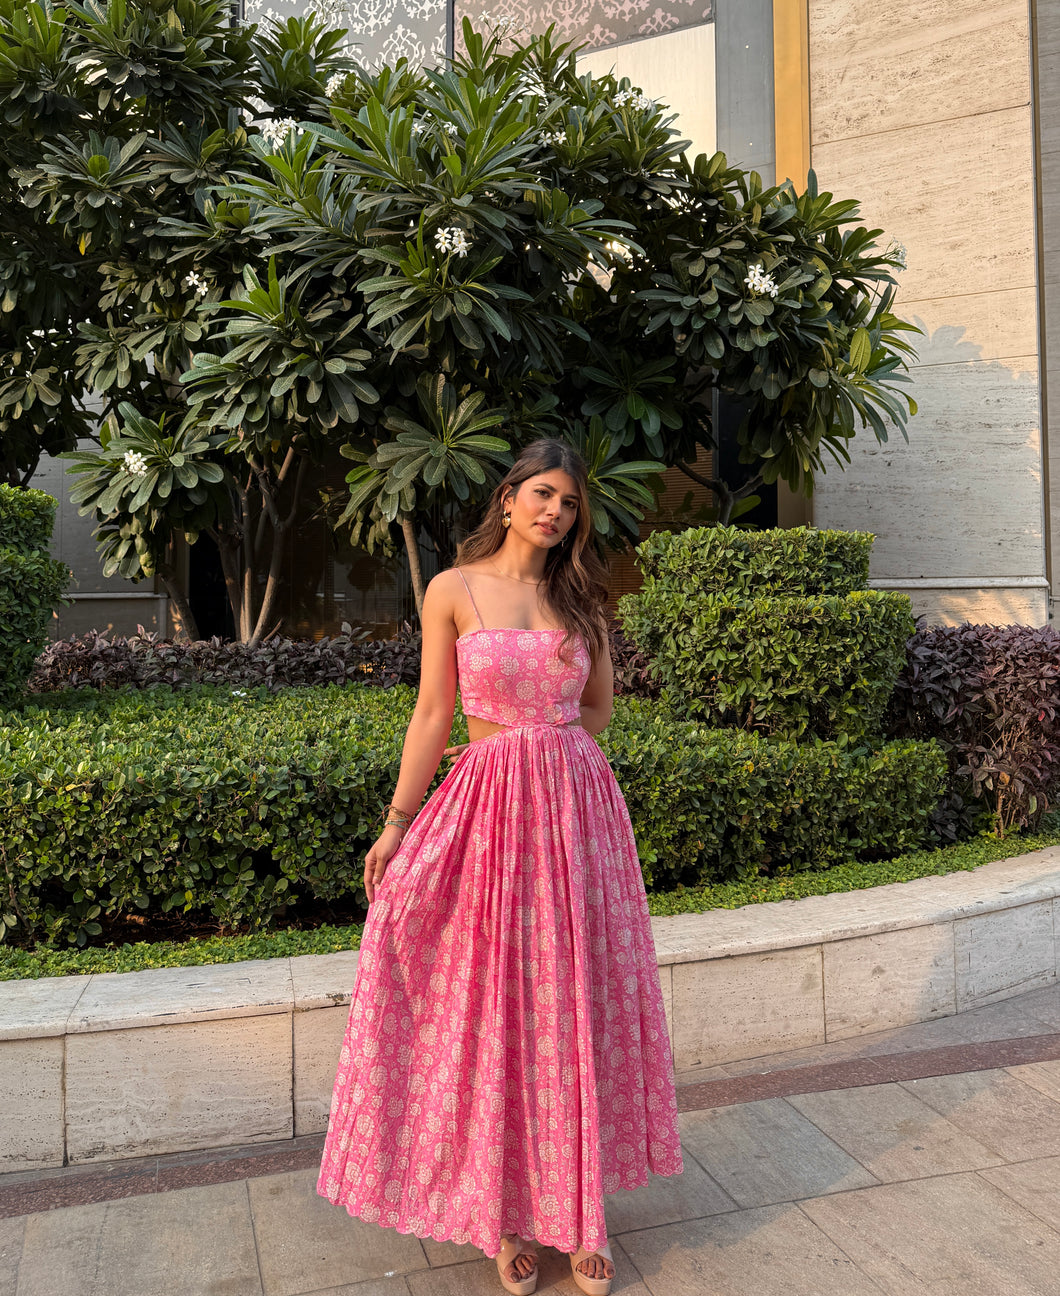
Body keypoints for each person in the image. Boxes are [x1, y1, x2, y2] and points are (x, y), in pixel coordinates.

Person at [317, 437, 683, 1296]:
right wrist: (398, 822)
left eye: (569, 503)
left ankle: (583, 1212)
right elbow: (433, 715)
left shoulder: (583, 598)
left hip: (575, 816)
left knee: (574, 1003)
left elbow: (596, 713)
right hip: (486, 814)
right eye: (543, 495)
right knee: (496, 1007)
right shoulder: (453, 587)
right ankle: (506, 1215)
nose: (556, 512)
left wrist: (554, 771)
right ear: (510, 497)